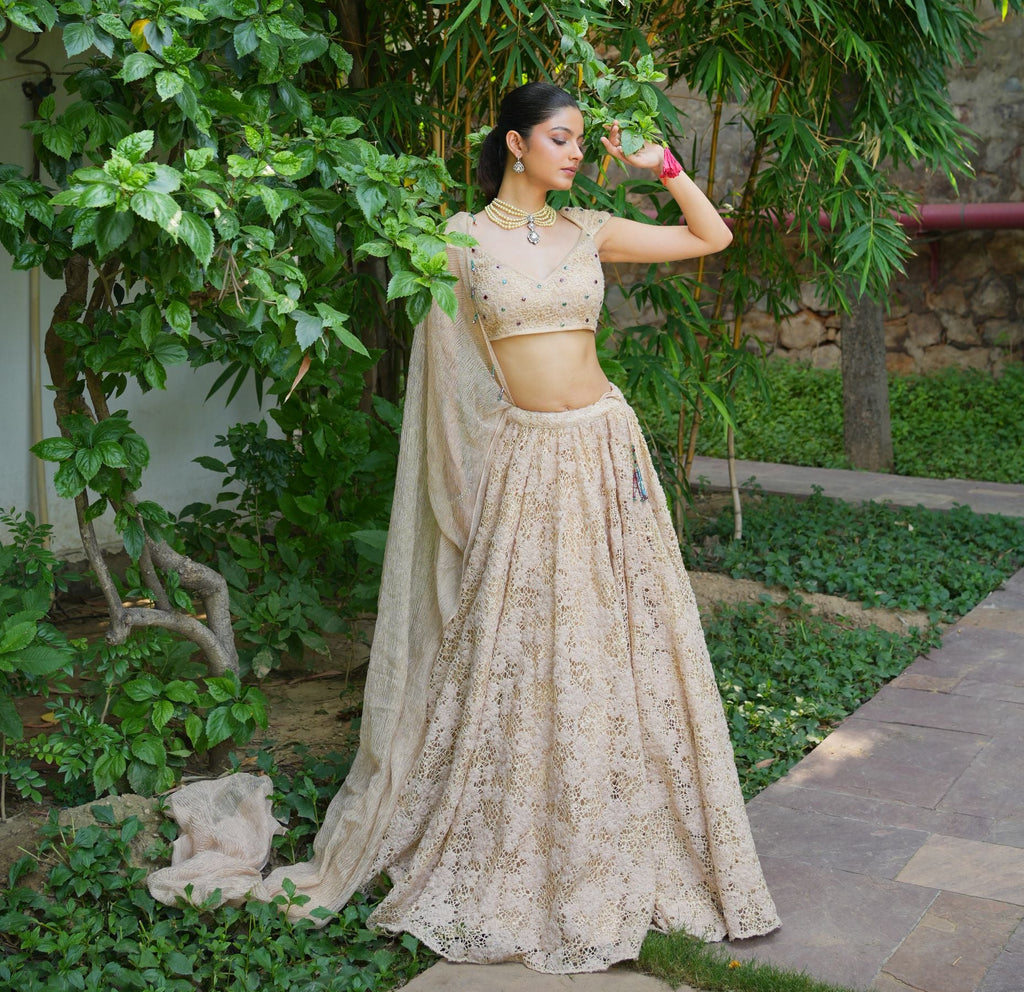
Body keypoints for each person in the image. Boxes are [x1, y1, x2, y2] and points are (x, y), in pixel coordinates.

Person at [148, 80, 779, 973]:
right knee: (525, 651)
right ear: (515, 145)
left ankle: (624, 830)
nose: (574, 153)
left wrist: (664, 166)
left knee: (622, 643)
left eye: (579, 141)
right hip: (526, 464)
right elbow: (447, 384)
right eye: (560, 138)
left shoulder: (588, 228)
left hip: (603, 449)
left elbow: (710, 237)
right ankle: (522, 837)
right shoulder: (455, 242)